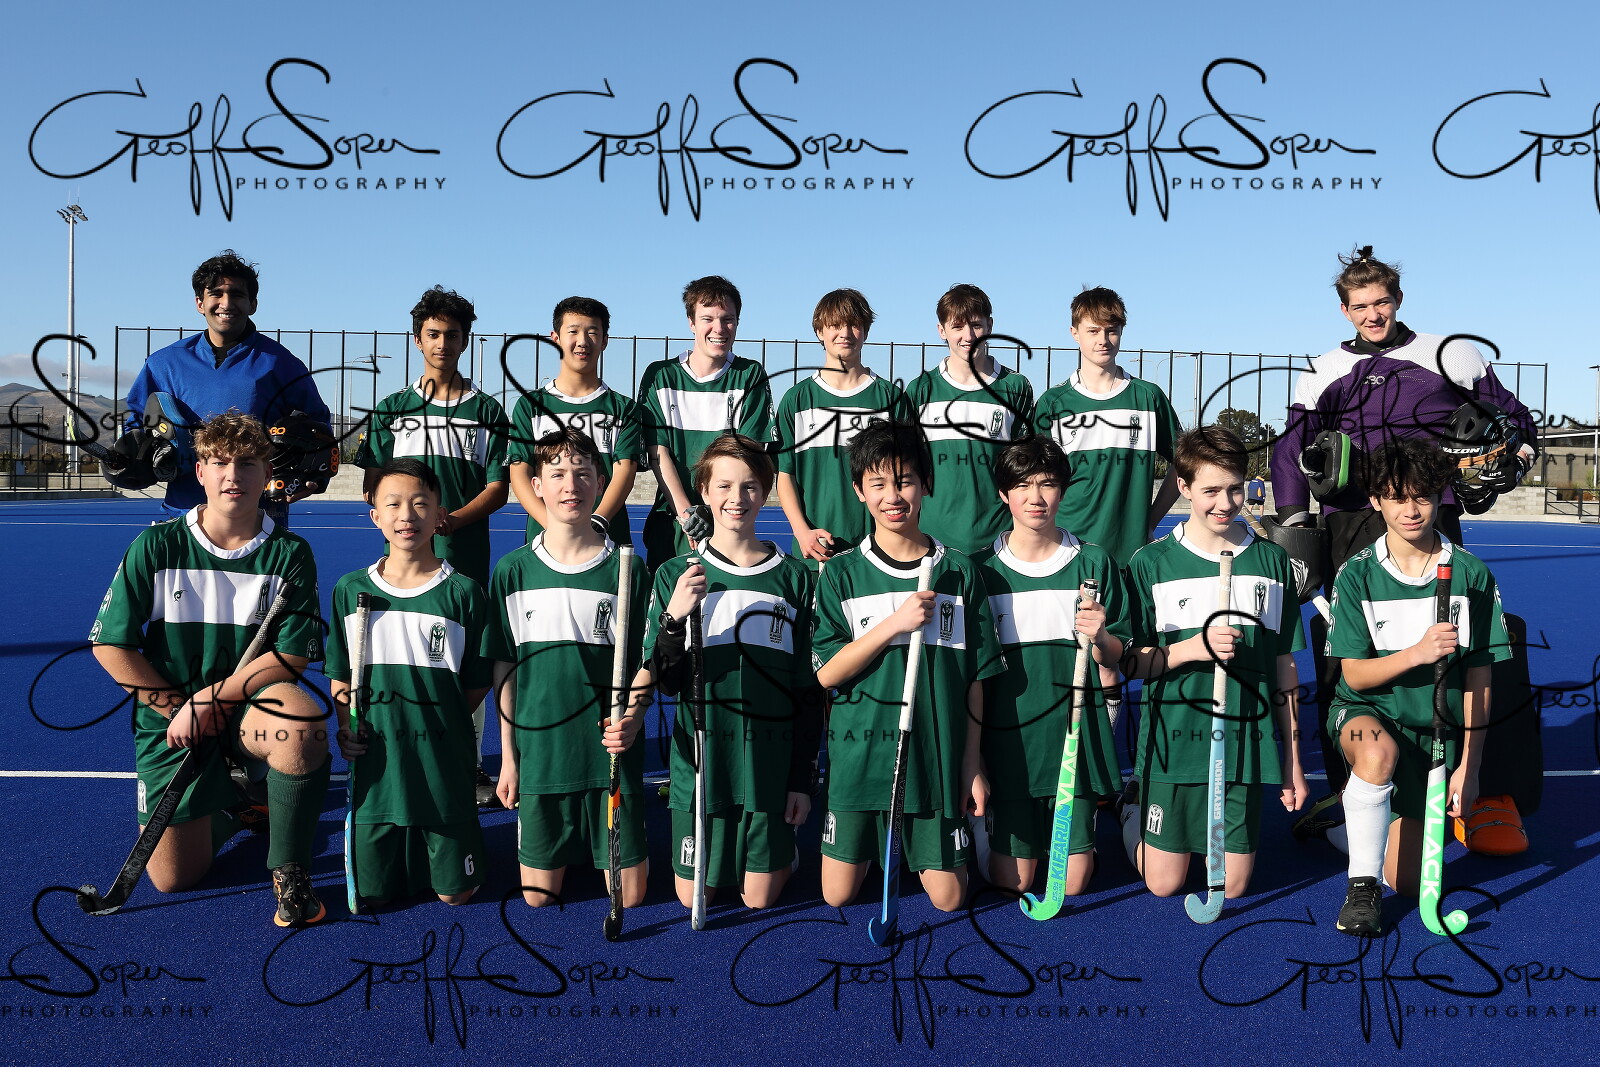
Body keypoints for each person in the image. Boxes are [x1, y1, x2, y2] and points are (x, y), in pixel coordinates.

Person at [1272, 246, 1537, 847]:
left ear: (1398, 300)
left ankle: (1478, 791)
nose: (1373, 314)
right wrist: (1293, 524)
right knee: (1346, 650)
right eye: (1360, 306)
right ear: (1344, 310)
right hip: (1351, 520)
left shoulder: (1451, 355)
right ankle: (1356, 792)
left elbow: (1514, 418)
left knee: (1463, 644)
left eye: (1382, 302)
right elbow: (1291, 449)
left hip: (1429, 512)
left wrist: (1516, 457)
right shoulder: (1324, 369)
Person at [89, 413, 330, 926]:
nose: (232, 476)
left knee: (301, 728)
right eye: (219, 463)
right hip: (173, 713)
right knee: (174, 878)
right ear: (199, 472)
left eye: (247, 464)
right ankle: (235, 806)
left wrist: (213, 700)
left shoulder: (289, 554)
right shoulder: (157, 545)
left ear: (268, 473)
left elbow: (291, 656)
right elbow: (111, 646)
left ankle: (290, 869)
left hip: (245, 705)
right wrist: (179, 708)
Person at [812, 420, 1005, 914]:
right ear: (859, 491)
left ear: (926, 484)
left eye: (904, 482)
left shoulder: (959, 572)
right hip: (861, 759)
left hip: (933, 760)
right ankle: (876, 842)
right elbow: (827, 673)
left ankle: (967, 836)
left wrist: (972, 765)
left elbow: (977, 680)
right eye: (877, 484)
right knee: (837, 895)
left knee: (950, 899)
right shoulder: (841, 573)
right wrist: (894, 624)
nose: (892, 496)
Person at [1323, 438, 1509, 935]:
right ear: (1376, 500)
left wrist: (1469, 767)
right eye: (1396, 497)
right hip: (1364, 713)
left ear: (1439, 496)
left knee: (1409, 882)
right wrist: (1418, 653)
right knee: (1374, 751)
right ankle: (1361, 890)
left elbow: (1480, 677)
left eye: (1422, 497)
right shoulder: (1357, 575)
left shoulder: (1471, 574)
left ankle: (1349, 825)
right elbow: (1354, 675)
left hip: (1434, 733)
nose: (1410, 510)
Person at [1118, 426, 1309, 900]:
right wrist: (1191, 649)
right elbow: (1133, 663)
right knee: (1164, 884)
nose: (1225, 503)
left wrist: (1293, 762)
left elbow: (1284, 665)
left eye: (1235, 489)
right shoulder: (1152, 563)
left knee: (1232, 886)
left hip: (1244, 744)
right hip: (1173, 743)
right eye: (1210, 491)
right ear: (1183, 487)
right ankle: (1131, 806)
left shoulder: (1271, 562)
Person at [641, 432, 821, 912]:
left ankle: (784, 850)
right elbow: (666, 681)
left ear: (765, 492)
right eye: (723, 486)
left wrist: (801, 779)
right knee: (691, 897)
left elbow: (807, 690)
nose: (736, 498)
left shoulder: (794, 577)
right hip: (703, 767)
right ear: (703, 491)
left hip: (768, 766)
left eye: (748, 486)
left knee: (759, 900)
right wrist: (673, 620)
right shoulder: (676, 574)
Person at [485, 428, 651, 908]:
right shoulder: (514, 570)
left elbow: (645, 663)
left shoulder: (627, 569)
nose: (570, 485)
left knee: (631, 897)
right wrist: (510, 758)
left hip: (608, 755)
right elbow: (506, 669)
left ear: (600, 482)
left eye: (582, 473)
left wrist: (634, 717)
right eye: (557, 474)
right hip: (543, 755)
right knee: (537, 898)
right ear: (536, 485)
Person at [356, 286, 508, 806]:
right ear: (418, 339)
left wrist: (452, 520)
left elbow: (498, 487)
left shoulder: (487, 410)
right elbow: (373, 482)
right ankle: (401, 751)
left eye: (453, 335)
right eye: (433, 334)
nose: (443, 343)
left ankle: (468, 761)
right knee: (405, 654)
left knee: (465, 663)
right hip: (403, 565)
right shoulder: (393, 409)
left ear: (466, 340)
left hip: (463, 558)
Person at [324, 458, 490, 908]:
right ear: (375, 515)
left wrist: (439, 715)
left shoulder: (464, 593)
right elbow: (341, 673)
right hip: (378, 771)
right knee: (374, 896)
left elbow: (476, 681)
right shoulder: (350, 590)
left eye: (420, 504)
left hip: (441, 765)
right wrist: (347, 724)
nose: (407, 516)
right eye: (393, 504)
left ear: (440, 515)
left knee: (456, 895)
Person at [974, 436, 1129, 896]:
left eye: (1047, 484)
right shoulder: (981, 571)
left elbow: (1116, 656)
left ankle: (1128, 812)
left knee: (1073, 884)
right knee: (1014, 882)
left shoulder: (1095, 563)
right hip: (1009, 746)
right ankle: (981, 826)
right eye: (1022, 486)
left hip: (1072, 743)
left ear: (1062, 490)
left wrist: (1101, 636)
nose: (1036, 497)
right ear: (1003, 494)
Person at [1033, 286, 1183, 727]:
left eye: (1112, 330)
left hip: (1128, 554)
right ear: (1074, 333)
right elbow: (1036, 480)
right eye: (1093, 330)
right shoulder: (1054, 403)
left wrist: (1151, 519)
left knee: (1117, 658)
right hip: (1068, 554)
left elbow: (1184, 463)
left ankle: (1114, 757)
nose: (1103, 339)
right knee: (1069, 657)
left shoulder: (1147, 397)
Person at [120, 251, 331, 522]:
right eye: (216, 293)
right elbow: (136, 425)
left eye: (237, 294)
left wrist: (312, 476)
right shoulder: (164, 363)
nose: (226, 303)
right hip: (182, 511)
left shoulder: (282, 364)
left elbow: (317, 428)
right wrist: (134, 456)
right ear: (200, 303)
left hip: (258, 514)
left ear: (253, 304)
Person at [636, 276, 775, 569]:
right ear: (691, 322)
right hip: (673, 520)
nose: (719, 328)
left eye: (728, 319)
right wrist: (686, 513)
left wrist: (714, 511)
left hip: (726, 519)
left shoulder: (749, 375)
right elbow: (658, 453)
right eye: (708, 319)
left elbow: (745, 456)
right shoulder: (660, 376)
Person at [775, 288, 909, 569]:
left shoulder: (890, 398)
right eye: (835, 325)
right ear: (819, 331)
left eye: (854, 324)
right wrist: (801, 531)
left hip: (880, 550)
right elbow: (786, 475)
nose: (845, 333)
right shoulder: (797, 400)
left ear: (866, 331)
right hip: (815, 551)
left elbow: (907, 477)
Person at [904, 284, 1035, 556]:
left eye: (976, 325)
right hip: (933, 537)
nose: (968, 336)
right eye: (957, 327)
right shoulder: (921, 390)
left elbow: (1024, 468)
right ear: (941, 330)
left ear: (990, 326)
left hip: (1000, 538)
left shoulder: (1015, 387)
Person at [507, 296, 644, 548]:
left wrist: (598, 522)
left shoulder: (624, 409)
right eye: (573, 332)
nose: (582, 341)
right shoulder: (530, 406)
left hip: (607, 541)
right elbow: (520, 473)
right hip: (546, 544)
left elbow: (624, 471)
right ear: (555, 338)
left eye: (592, 332)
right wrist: (554, 527)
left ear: (604, 341)